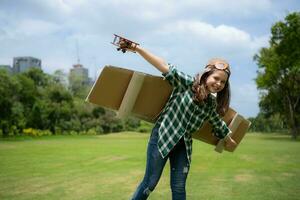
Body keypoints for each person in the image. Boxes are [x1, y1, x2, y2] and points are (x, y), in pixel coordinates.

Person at [117, 40, 237, 200]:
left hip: (183, 145)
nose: (219, 83)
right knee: (150, 183)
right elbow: (164, 66)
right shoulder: (186, 84)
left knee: (179, 188)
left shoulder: (210, 104)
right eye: (216, 78)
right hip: (163, 136)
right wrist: (136, 48)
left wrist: (229, 139)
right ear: (207, 74)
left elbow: (217, 123)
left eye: (223, 82)